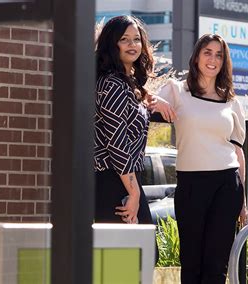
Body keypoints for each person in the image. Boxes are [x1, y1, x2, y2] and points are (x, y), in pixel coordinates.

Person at [153, 33, 248, 283]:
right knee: (191, 263)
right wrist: (158, 103)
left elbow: (238, 151)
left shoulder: (231, 101)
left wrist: (243, 202)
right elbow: (149, 100)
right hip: (191, 185)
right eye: (208, 52)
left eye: (219, 54)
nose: (213, 59)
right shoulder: (177, 90)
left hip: (227, 185)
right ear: (196, 57)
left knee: (216, 266)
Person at [93, 15, 155, 225]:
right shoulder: (113, 84)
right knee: (133, 252)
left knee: (134, 252)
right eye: (124, 39)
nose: (132, 44)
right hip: (113, 180)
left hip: (121, 179)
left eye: (136, 39)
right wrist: (134, 192)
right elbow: (117, 143)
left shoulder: (126, 83)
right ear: (112, 44)